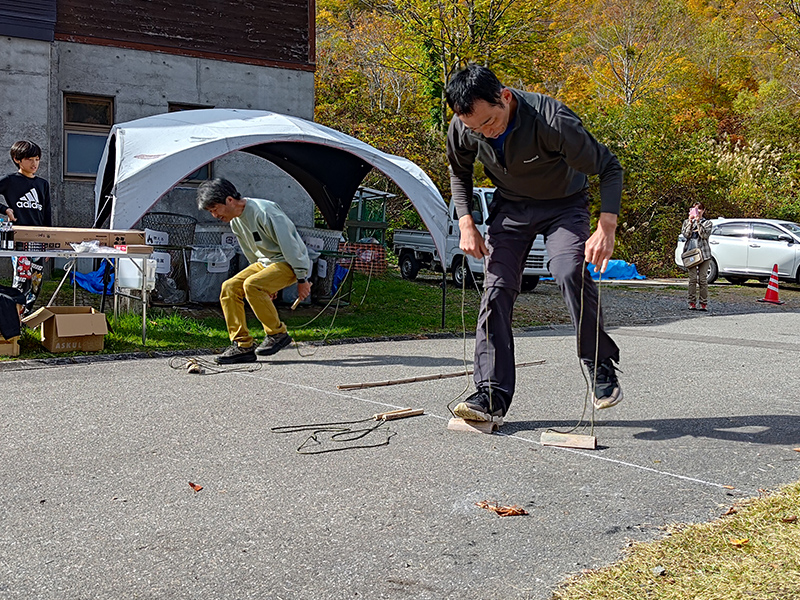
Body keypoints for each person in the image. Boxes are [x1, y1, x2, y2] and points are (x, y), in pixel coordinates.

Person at [445, 64, 624, 423]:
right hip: (511, 208)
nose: (484, 133)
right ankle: (490, 395)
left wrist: (607, 225)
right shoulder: (463, 128)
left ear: (506, 98)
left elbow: (609, 167)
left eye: (489, 123)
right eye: (474, 128)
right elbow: (459, 171)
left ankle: (600, 364)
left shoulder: (553, 121)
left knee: (568, 268)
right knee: (496, 288)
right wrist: (466, 221)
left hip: (564, 204)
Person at [196, 178, 316, 364]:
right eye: (211, 211)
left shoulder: (264, 211)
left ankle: (277, 334)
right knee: (229, 288)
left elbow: (290, 245)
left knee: (252, 285)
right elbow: (253, 253)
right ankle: (242, 346)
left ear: (229, 200)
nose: (214, 215)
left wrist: (302, 279)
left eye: (214, 209)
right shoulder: (236, 222)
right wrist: (267, 281)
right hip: (266, 264)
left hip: (290, 262)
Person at [0, 141, 52, 314]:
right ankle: (14, 319)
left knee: (36, 284)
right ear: (17, 159)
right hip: (19, 240)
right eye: (30, 159)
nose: (34, 163)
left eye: (37, 159)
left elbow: (47, 214)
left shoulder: (43, 184)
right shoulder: (10, 181)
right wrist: (5, 210)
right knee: (22, 280)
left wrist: (49, 243)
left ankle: (25, 317)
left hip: (39, 240)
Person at [681, 202, 712, 311]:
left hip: (704, 253)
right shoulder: (686, 222)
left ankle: (703, 303)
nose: (697, 211)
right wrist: (690, 222)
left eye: (699, 209)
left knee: (703, 279)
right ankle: (691, 302)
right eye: (695, 209)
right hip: (691, 253)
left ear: (703, 210)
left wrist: (698, 223)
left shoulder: (707, 223)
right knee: (692, 279)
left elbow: (704, 235)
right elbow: (685, 235)